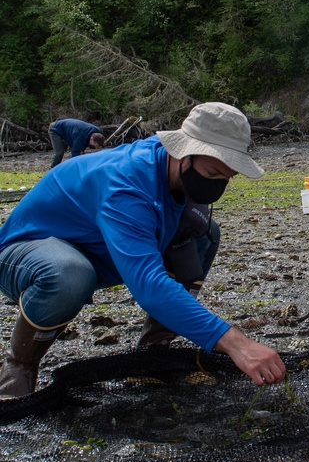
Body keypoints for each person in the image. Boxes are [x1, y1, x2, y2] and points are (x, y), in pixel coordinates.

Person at [0, 102, 287, 398]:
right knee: (70, 274)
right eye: (213, 172)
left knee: (203, 232)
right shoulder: (126, 187)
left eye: (227, 177)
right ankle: (19, 366)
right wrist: (236, 344)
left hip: (98, 246)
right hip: (26, 254)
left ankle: (154, 353)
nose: (218, 185)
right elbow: (149, 286)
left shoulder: (164, 162)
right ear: (182, 151)